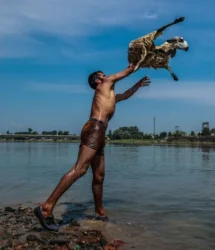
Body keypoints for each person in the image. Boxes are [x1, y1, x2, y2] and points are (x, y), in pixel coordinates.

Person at [34, 63, 151, 231]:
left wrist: (138, 85)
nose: (107, 76)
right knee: (80, 169)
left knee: (99, 176)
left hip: (100, 132)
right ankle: (46, 208)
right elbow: (126, 71)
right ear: (98, 80)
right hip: (95, 129)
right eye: (103, 75)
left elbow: (125, 95)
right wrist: (138, 62)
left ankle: (99, 212)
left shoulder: (109, 94)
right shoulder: (104, 84)